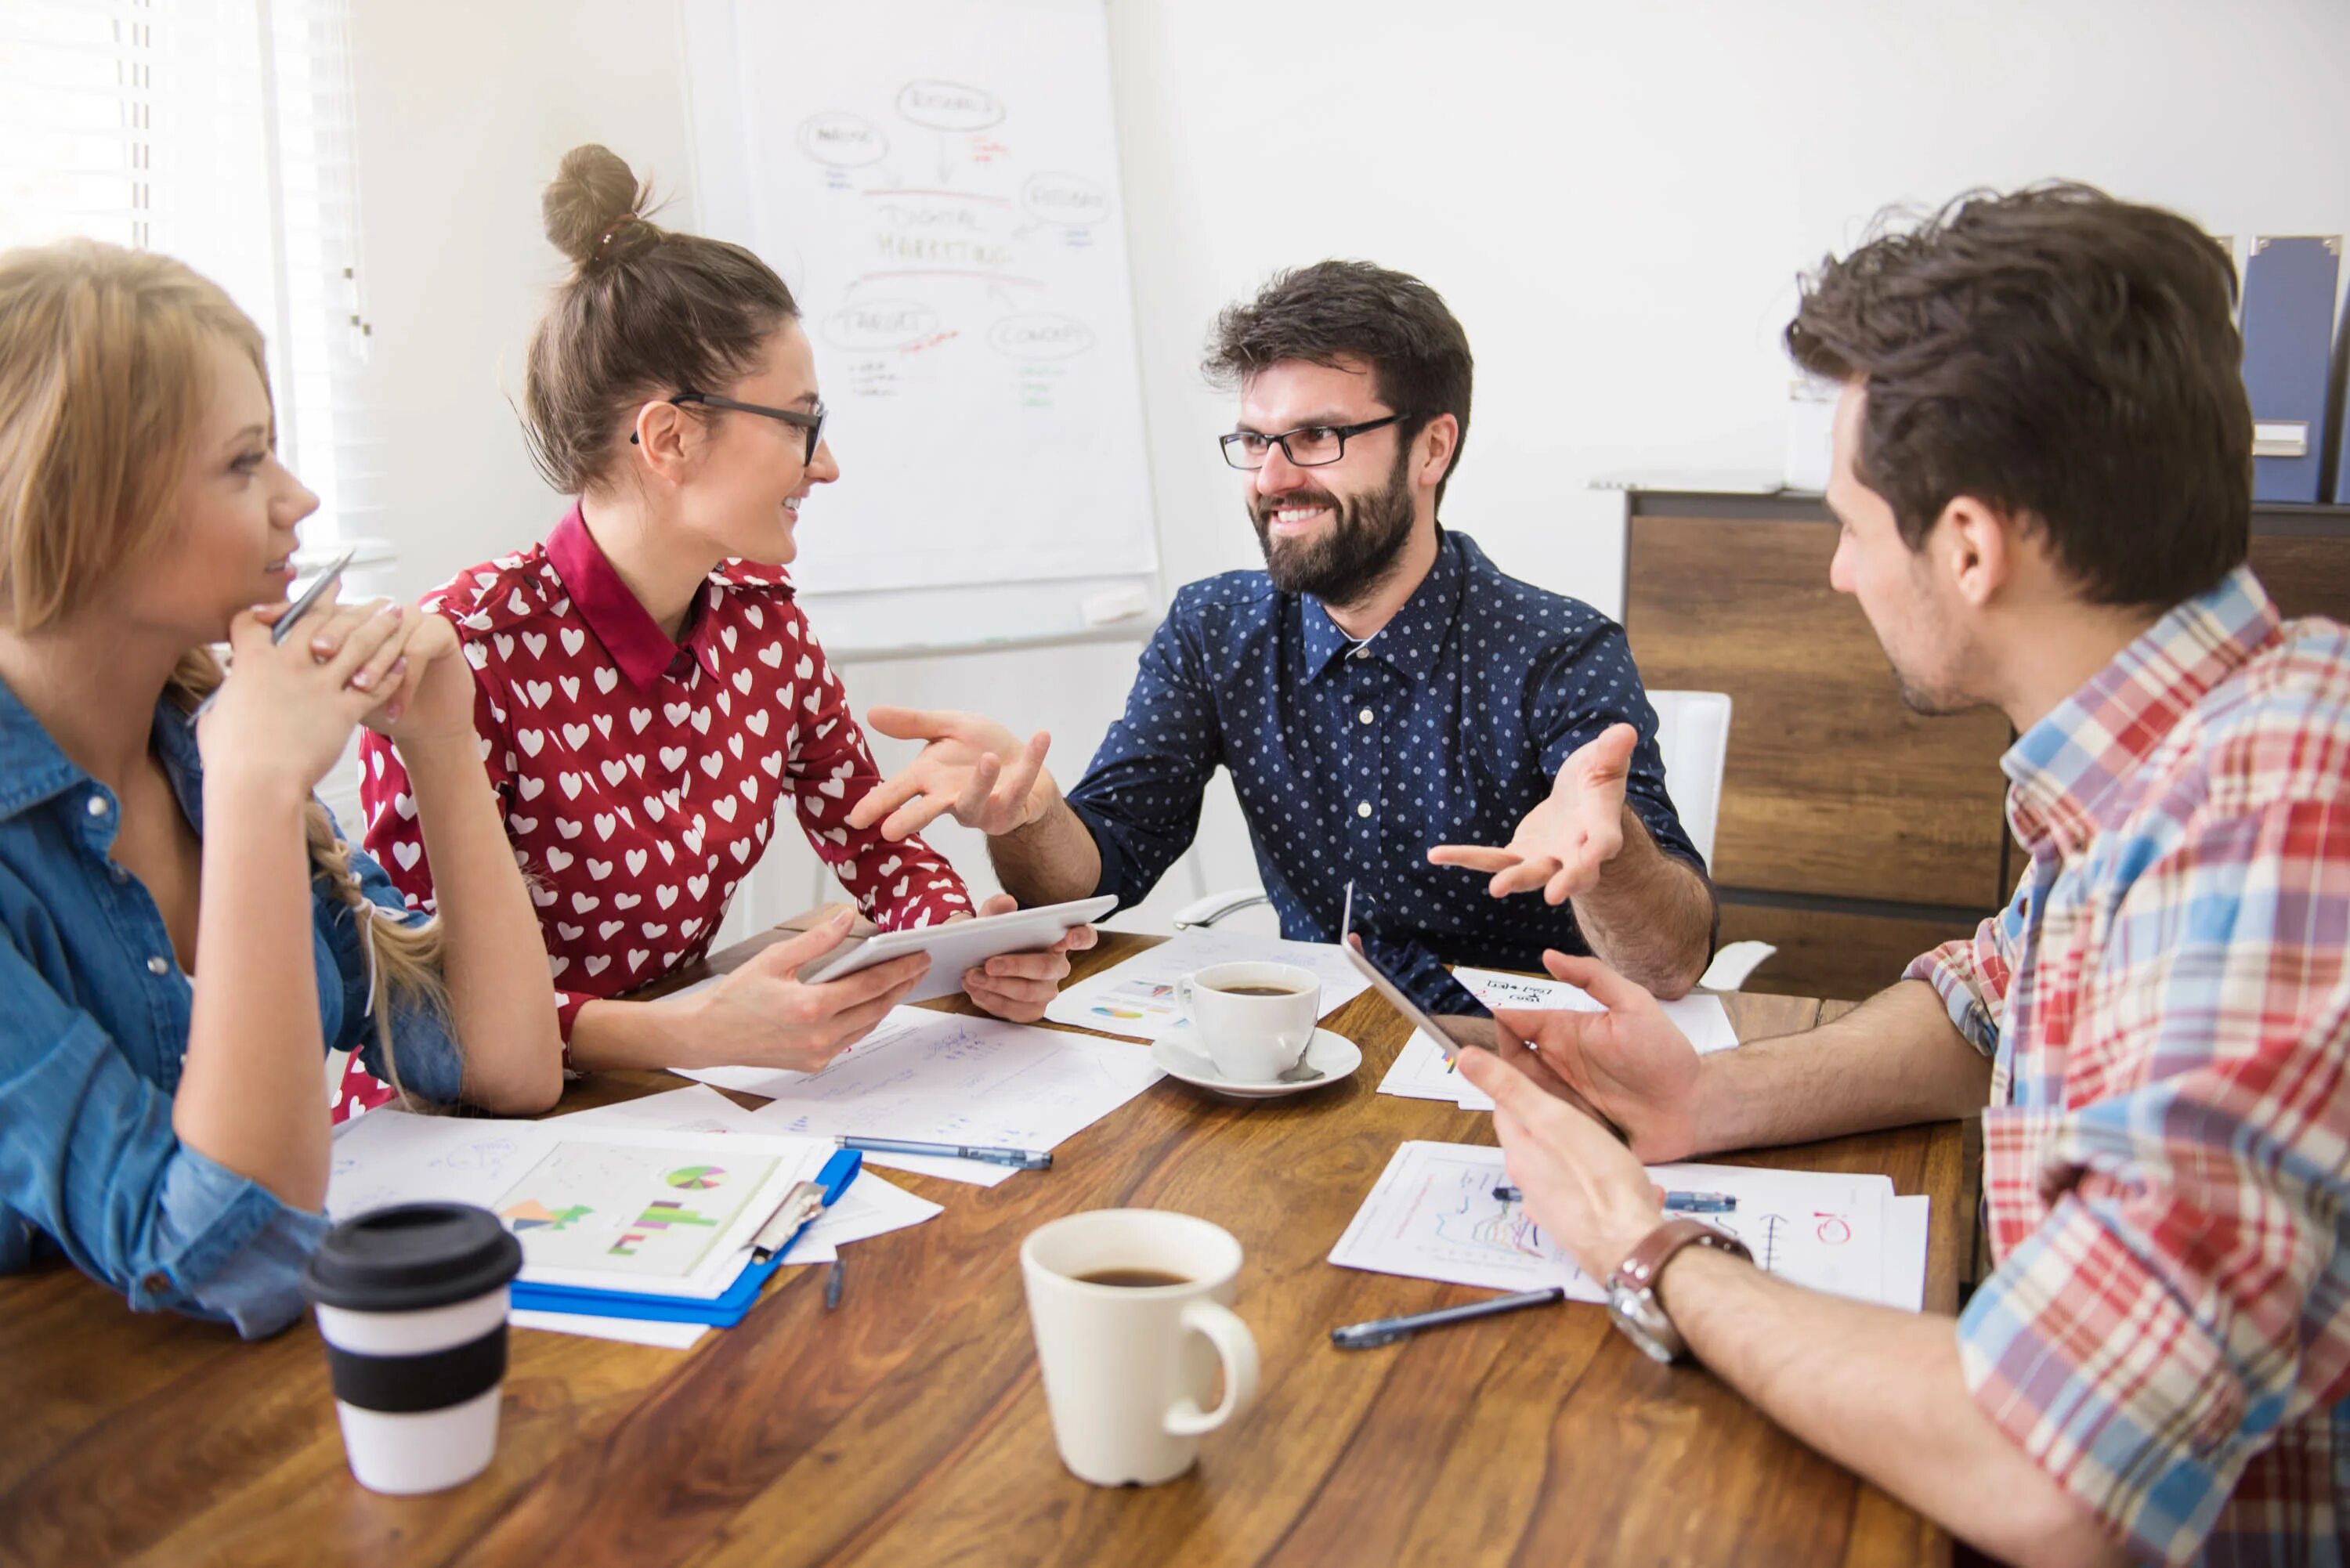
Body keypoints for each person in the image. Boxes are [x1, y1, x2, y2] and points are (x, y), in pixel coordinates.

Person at [1459, 186, 2350, 1566]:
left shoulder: (2284, 805)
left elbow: (2059, 1465)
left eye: (1855, 525)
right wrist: (1713, 1092)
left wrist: (1652, 1251)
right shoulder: (2166, 750)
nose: (1835, 569)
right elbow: (1984, 1006)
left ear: (1973, 548)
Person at [358, 146, 1089, 1104]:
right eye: (798, 424)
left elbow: (875, 842)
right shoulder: (464, 649)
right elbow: (416, 1003)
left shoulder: (765, 627)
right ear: (669, 438)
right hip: (457, 1133)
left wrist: (964, 949)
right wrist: (688, 1030)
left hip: (663, 1093)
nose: (824, 468)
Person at [849, 261, 1716, 1003]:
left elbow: (1672, 966)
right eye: (1255, 441)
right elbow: (1103, 873)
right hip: (1304, 1052)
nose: (1271, 478)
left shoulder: (1557, 649)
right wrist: (1028, 814)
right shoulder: (1216, 628)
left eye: (1317, 438)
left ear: (1431, 448)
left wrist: (1615, 854)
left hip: (1511, 1066)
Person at [0, 242, 562, 1336]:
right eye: (246, 461)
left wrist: (444, 747)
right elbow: (234, 1255)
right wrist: (257, 791)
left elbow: (503, 1065)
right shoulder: (235, 767)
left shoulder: (189, 749)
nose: (298, 498)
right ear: (83, 506)